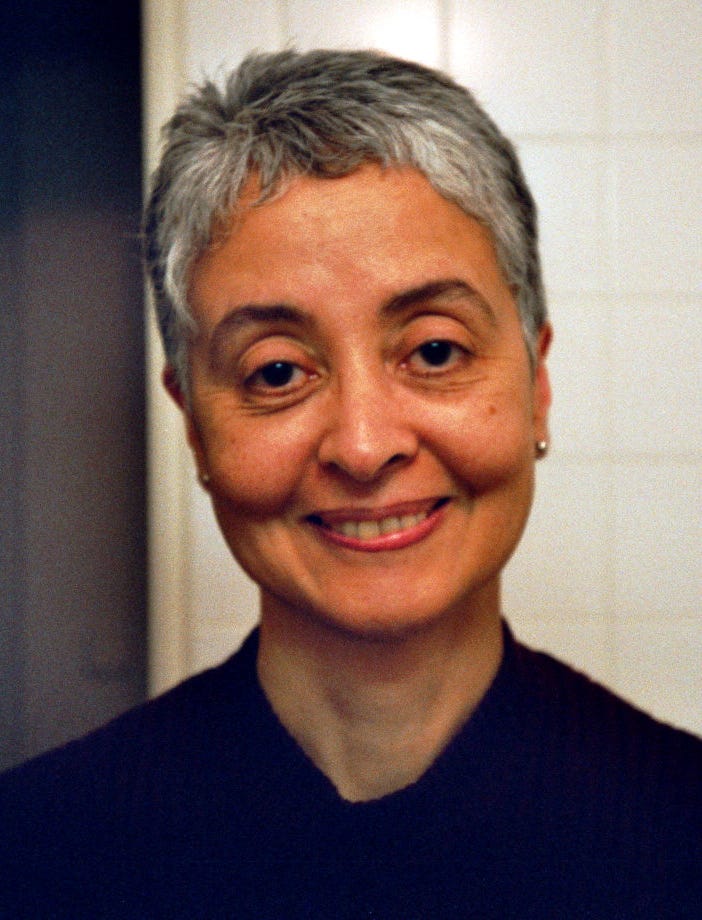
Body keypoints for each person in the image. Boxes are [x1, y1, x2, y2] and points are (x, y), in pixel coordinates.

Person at [1, 49, 700, 919]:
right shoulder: (37, 852)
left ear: (536, 384)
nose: (364, 446)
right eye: (277, 372)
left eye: (435, 352)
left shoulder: (681, 836)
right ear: (194, 423)